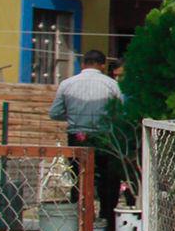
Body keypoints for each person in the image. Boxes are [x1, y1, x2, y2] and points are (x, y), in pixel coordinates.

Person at [48, 49, 124, 221]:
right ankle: (107, 219)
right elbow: (118, 112)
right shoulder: (111, 85)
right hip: (104, 138)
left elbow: (54, 113)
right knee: (108, 181)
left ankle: (81, 220)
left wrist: (72, 116)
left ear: (83, 64)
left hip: (77, 136)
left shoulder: (67, 84)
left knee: (79, 179)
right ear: (103, 66)